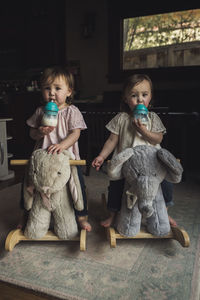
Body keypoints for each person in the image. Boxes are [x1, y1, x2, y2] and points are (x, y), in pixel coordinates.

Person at [92, 74, 177, 228]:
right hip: (128, 165)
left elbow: (158, 139)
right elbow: (112, 140)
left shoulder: (152, 117)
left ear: (150, 97)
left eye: (144, 95)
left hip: (152, 164)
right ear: (125, 98)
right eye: (134, 95)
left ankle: (164, 210)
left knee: (165, 183)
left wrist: (144, 131)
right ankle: (113, 213)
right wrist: (101, 156)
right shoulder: (122, 118)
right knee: (116, 185)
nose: (140, 99)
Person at [18, 66, 91, 232]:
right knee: (29, 182)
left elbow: (75, 134)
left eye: (57, 88)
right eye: (47, 88)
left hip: (67, 157)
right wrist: (39, 132)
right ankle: (25, 213)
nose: (51, 93)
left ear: (69, 92)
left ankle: (81, 215)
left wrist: (62, 145)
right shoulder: (40, 112)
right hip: (42, 159)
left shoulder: (71, 111)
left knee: (77, 184)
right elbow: (31, 134)